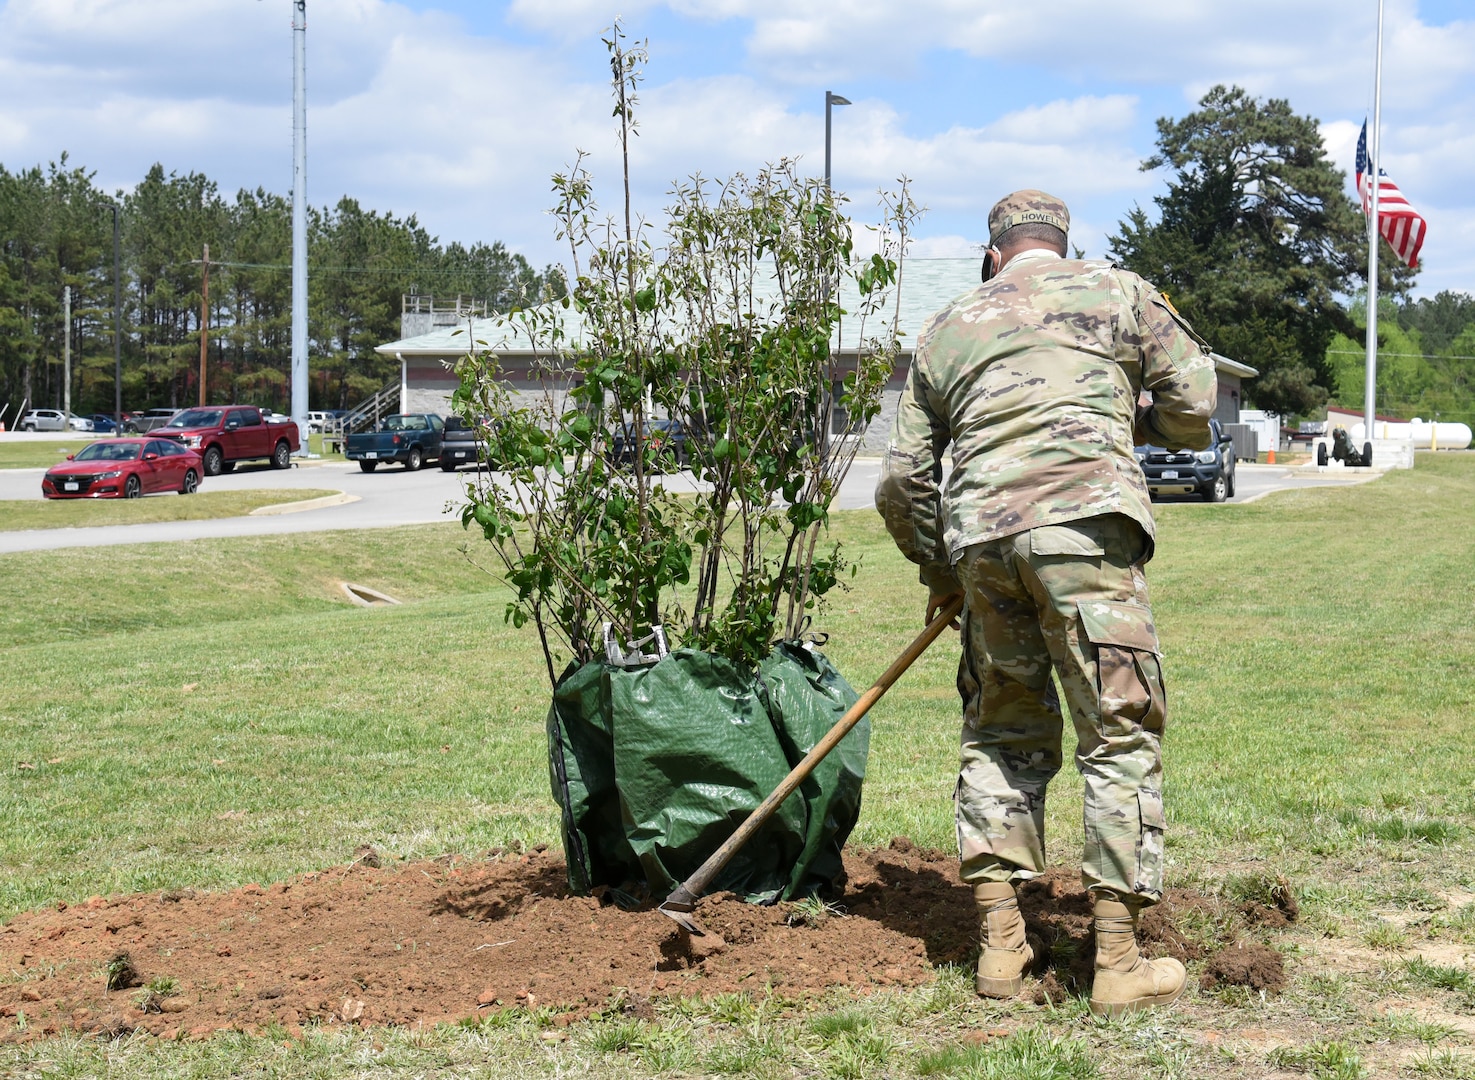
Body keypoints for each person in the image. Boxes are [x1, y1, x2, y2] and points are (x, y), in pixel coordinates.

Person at [874, 189, 1217, 1016]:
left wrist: (940, 570)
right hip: (1084, 534)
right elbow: (1196, 405)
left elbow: (900, 479)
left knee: (1000, 731)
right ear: (1062, 247)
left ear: (993, 255)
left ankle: (1000, 947)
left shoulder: (947, 325)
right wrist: (1143, 420)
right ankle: (1118, 962)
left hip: (982, 544)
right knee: (1117, 732)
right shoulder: (1119, 291)